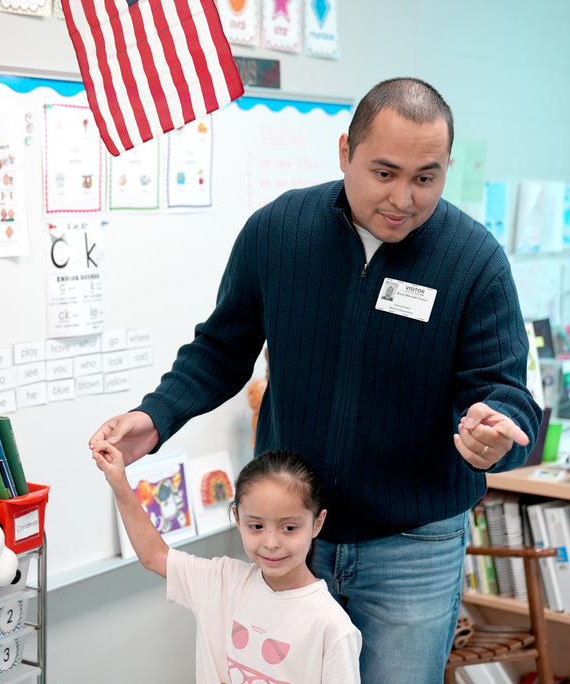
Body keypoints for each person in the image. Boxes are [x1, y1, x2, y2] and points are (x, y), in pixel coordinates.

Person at [89, 77, 542, 683]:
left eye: (426, 178)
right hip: (292, 535)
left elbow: (505, 388)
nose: (403, 198)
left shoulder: (473, 259)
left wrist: (497, 426)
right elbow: (222, 348)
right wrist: (157, 414)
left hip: (414, 548)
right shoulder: (278, 231)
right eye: (384, 173)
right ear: (344, 153)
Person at [92, 445, 362, 683]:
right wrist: (118, 481)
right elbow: (155, 556)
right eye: (255, 525)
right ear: (237, 517)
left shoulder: (332, 626)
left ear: (317, 523)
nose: (271, 542)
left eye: (289, 528)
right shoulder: (221, 582)